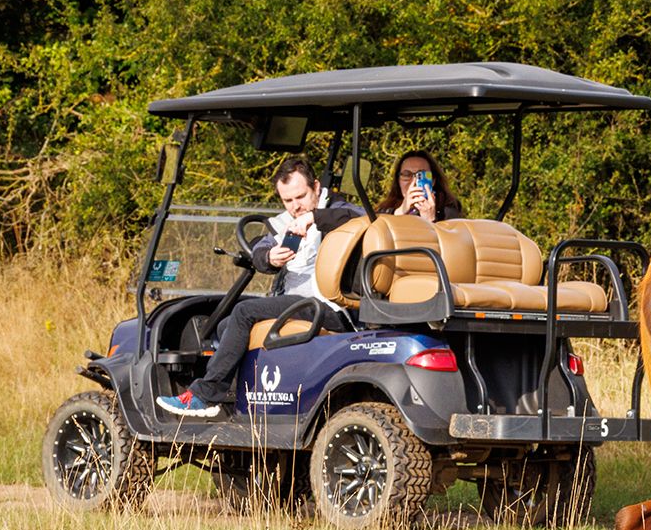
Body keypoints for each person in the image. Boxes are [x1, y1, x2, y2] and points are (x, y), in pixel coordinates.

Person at [157, 155, 365, 417]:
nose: (295, 206)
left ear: (315, 187)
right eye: (287, 200)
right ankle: (235, 403)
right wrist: (269, 257)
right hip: (300, 304)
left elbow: (362, 218)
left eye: (300, 197)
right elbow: (261, 246)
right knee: (225, 325)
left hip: (332, 307)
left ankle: (205, 395)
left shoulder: (339, 209)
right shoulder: (285, 221)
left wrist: (314, 217)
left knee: (245, 313)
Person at [376, 150, 463, 222]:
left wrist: (430, 219)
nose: (414, 181)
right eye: (407, 175)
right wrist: (400, 212)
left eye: (421, 176)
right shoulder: (386, 209)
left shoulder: (447, 210)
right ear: (398, 180)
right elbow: (377, 230)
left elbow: (453, 240)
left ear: (433, 181)